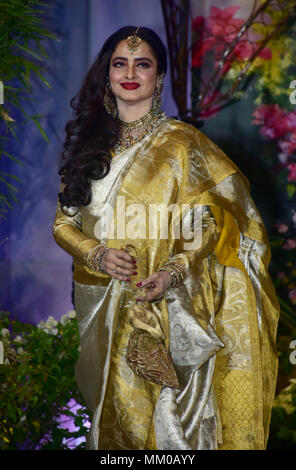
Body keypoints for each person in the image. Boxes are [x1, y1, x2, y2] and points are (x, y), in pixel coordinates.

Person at [52, 25, 279, 450]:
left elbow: (211, 221)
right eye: (120, 63)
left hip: (171, 307)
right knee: (117, 424)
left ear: (159, 78)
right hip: (103, 304)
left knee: (171, 428)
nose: (130, 72)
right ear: (107, 74)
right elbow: (63, 223)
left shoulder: (182, 144)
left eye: (143, 64)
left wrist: (173, 273)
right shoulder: (89, 144)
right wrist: (96, 253)